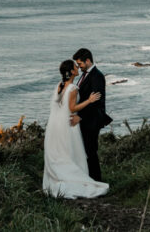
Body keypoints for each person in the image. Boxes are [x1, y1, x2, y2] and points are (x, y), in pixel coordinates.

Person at [42, 59, 109, 199]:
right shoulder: (73, 88)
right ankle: (74, 179)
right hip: (69, 125)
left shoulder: (60, 85)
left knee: (62, 152)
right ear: (72, 72)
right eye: (75, 66)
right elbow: (72, 108)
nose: (78, 67)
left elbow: (59, 106)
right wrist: (89, 100)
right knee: (71, 152)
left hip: (57, 125)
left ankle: (59, 177)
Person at [73, 47, 112, 181]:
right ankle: (89, 178)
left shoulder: (97, 76)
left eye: (80, 63)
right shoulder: (85, 75)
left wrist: (80, 116)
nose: (79, 66)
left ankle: (96, 181)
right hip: (85, 119)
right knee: (86, 151)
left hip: (92, 119)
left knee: (90, 151)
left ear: (88, 61)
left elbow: (96, 101)